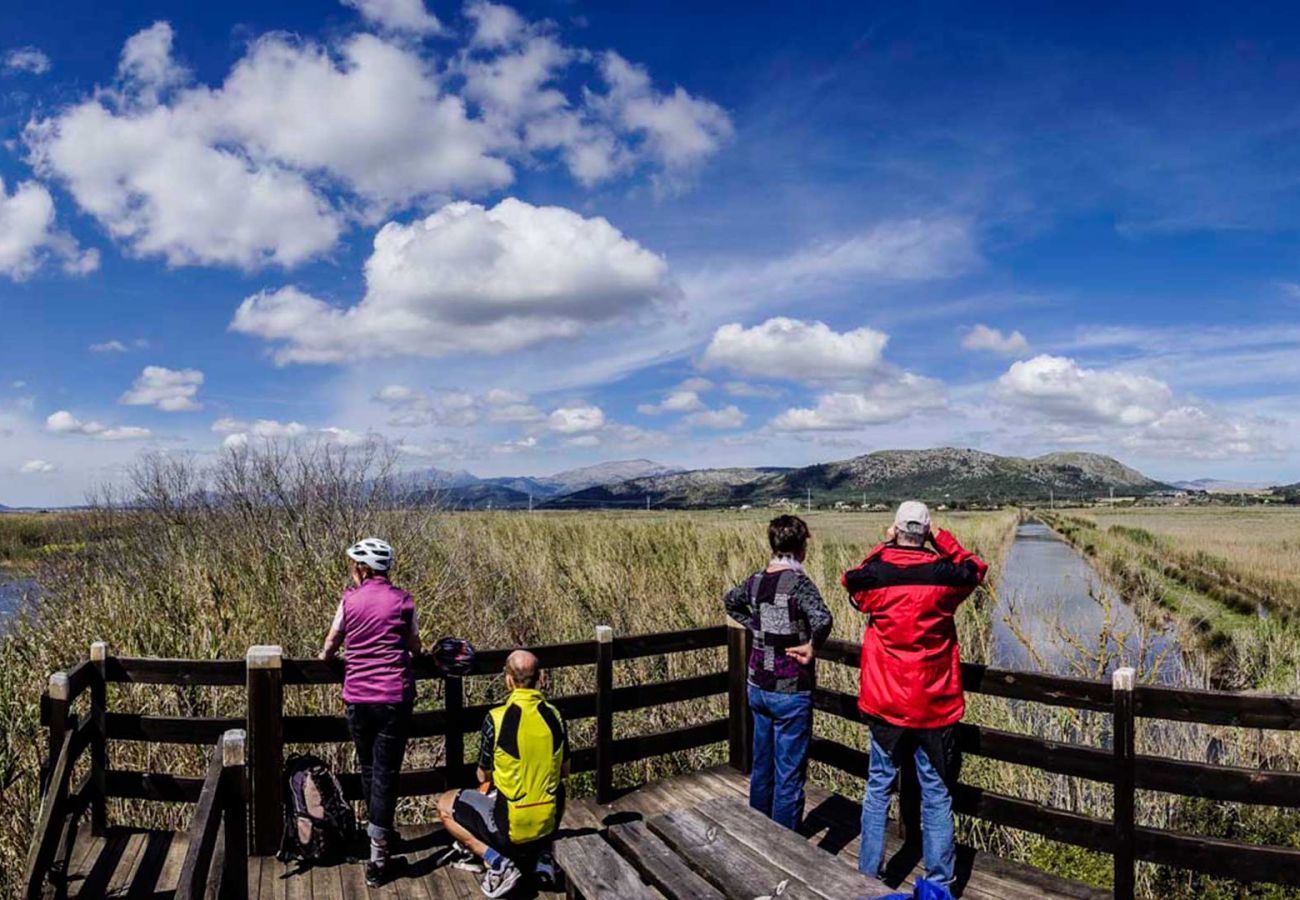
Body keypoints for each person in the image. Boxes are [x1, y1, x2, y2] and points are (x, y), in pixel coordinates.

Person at [842, 501, 987, 889]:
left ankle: (868, 875)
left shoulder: (876, 574)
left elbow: (851, 579)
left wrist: (882, 544)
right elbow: (976, 568)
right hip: (934, 704)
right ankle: (939, 883)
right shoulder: (944, 576)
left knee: (877, 790)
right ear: (924, 532)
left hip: (887, 702)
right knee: (937, 795)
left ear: (895, 529)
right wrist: (941, 539)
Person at [320, 538, 421, 887]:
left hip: (358, 697)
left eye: (353, 564)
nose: (352, 569)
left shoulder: (349, 600)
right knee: (387, 772)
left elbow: (332, 643)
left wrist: (326, 661)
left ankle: (374, 842)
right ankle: (379, 849)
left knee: (368, 768)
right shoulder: (403, 601)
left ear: (363, 568)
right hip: (395, 697)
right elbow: (414, 644)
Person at [724, 514, 833, 830]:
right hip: (790, 687)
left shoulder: (756, 581)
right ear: (801, 548)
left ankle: (759, 832)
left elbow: (731, 602)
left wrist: (756, 627)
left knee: (762, 765)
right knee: (789, 773)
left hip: (758, 683)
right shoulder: (799, 584)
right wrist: (812, 646)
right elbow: (823, 618)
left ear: (772, 544)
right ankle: (783, 842)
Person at [435, 650, 569, 898]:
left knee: (445, 804)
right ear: (540, 678)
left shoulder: (495, 719)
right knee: (556, 788)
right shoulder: (555, 716)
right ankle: (543, 854)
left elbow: (482, 776)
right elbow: (564, 770)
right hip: (547, 822)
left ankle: (496, 861)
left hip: (509, 827)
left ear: (508, 680)